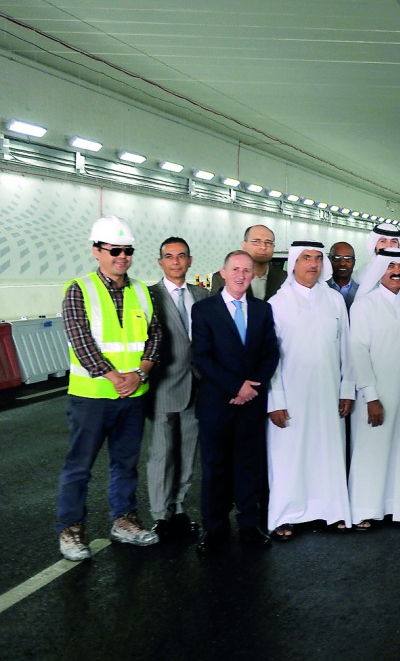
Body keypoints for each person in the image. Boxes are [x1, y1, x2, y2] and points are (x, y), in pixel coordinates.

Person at [56, 216, 163, 560]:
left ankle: (124, 521)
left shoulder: (142, 292)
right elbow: (80, 338)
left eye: (128, 250)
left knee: (125, 464)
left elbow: (156, 335)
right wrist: (115, 376)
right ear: (97, 251)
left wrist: (141, 374)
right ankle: (72, 530)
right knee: (79, 467)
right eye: (115, 250)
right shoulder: (79, 289)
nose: (122, 256)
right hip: (92, 398)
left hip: (133, 396)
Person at [191, 250, 280, 551]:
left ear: (253, 274)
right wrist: (236, 387)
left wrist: (253, 387)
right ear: (224, 273)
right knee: (215, 467)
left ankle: (248, 525)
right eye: (236, 270)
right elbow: (202, 358)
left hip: (251, 403)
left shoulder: (262, 310)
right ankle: (214, 529)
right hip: (218, 404)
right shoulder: (204, 311)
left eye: (247, 270)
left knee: (249, 466)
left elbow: (271, 352)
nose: (241, 275)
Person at [266, 241, 355, 538]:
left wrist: (347, 389)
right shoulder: (277, 304)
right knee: (288, 456)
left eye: (318, 258)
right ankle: (286, 515)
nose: (313, 264)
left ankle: (332, 511)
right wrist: (274, 399)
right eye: (306, 258)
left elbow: (347, 349)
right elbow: (270, 358)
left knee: (328, 453)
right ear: (294, 262)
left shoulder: (334, 300)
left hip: (329, 394)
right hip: (290, 397)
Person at [346, 248, 400, 529]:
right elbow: (358, 353)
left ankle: (399, 507)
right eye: (390, 265)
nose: (396, 271)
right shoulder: (364, 305)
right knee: (372, 451)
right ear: (379, 269)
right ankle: (364, 509)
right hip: (375, 394)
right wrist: (371, 397)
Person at [146, 237, 210, 538]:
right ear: (160, 262)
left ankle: (180, 508)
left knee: (187, 451)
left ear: (190, 260)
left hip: (197, 386)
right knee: (161, 453)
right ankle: (161, 514)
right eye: (169, 257)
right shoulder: (148, 296)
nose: (175, 262)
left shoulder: (202, 294)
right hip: (163, 386)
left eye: (181, 256)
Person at [211, 224, 285, 300]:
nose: (263, 247)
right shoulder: (222, 278)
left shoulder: (284, 278)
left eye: (268, 242)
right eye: (256, 241)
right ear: (244, 245)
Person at [327, 242, 359, 308]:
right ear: (329, 260)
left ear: (354, 262)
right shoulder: (322, 286)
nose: (342, 263)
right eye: (337, 258)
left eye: (348, 259)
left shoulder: (361, 290)